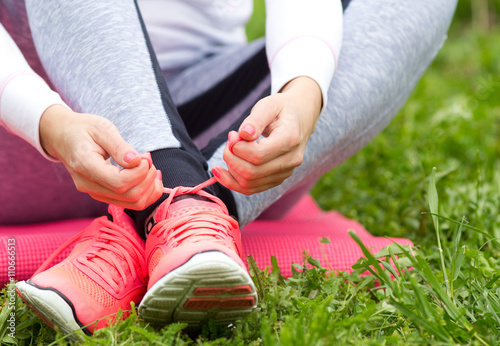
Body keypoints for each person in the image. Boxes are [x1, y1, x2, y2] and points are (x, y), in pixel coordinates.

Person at [1, 0, 457, 339]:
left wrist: (303, 90)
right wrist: (47, 121)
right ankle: (183, 201)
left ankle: (194, 209)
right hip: (35, 124)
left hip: (212, 131)